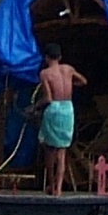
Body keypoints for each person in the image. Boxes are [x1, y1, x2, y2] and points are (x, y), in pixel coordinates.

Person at [37, 42, 87, 196]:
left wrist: (34, 107)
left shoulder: (45, 74)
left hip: (55, 109)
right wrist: (71, 84)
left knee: (49, 149)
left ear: (46, 58)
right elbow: (84, 81)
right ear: (60, 57)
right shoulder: (69, 69)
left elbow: (48, 98)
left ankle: (51, 185)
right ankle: (58, 189)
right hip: (68, 109)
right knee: (62, 151)